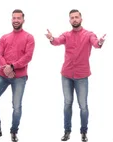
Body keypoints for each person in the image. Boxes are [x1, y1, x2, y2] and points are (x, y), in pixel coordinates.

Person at [45, 9, 106, 142]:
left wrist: (100, 42)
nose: (74, 19)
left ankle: (84, 132)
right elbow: (57, 41)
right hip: (66, 75)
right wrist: (51, 38)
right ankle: (67, 131)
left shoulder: (89, 34)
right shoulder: (66, 35)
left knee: (83, 105)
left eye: (76, 17)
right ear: (69, 20)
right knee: (67, 103)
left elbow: (96, 43)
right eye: (72, 18)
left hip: (82, 76)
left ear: (81, 19)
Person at [0, 9, 35, 142]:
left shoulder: (29, 37)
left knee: (17, 106)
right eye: (14, 18)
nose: (16, 20)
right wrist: (6, 68)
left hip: (20, 77)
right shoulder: (4, 37)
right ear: (11, 19)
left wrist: (12, 66)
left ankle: (13, 132)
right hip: (2, 74)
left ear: (23, 20)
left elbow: (28, 56)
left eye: (19, 18)